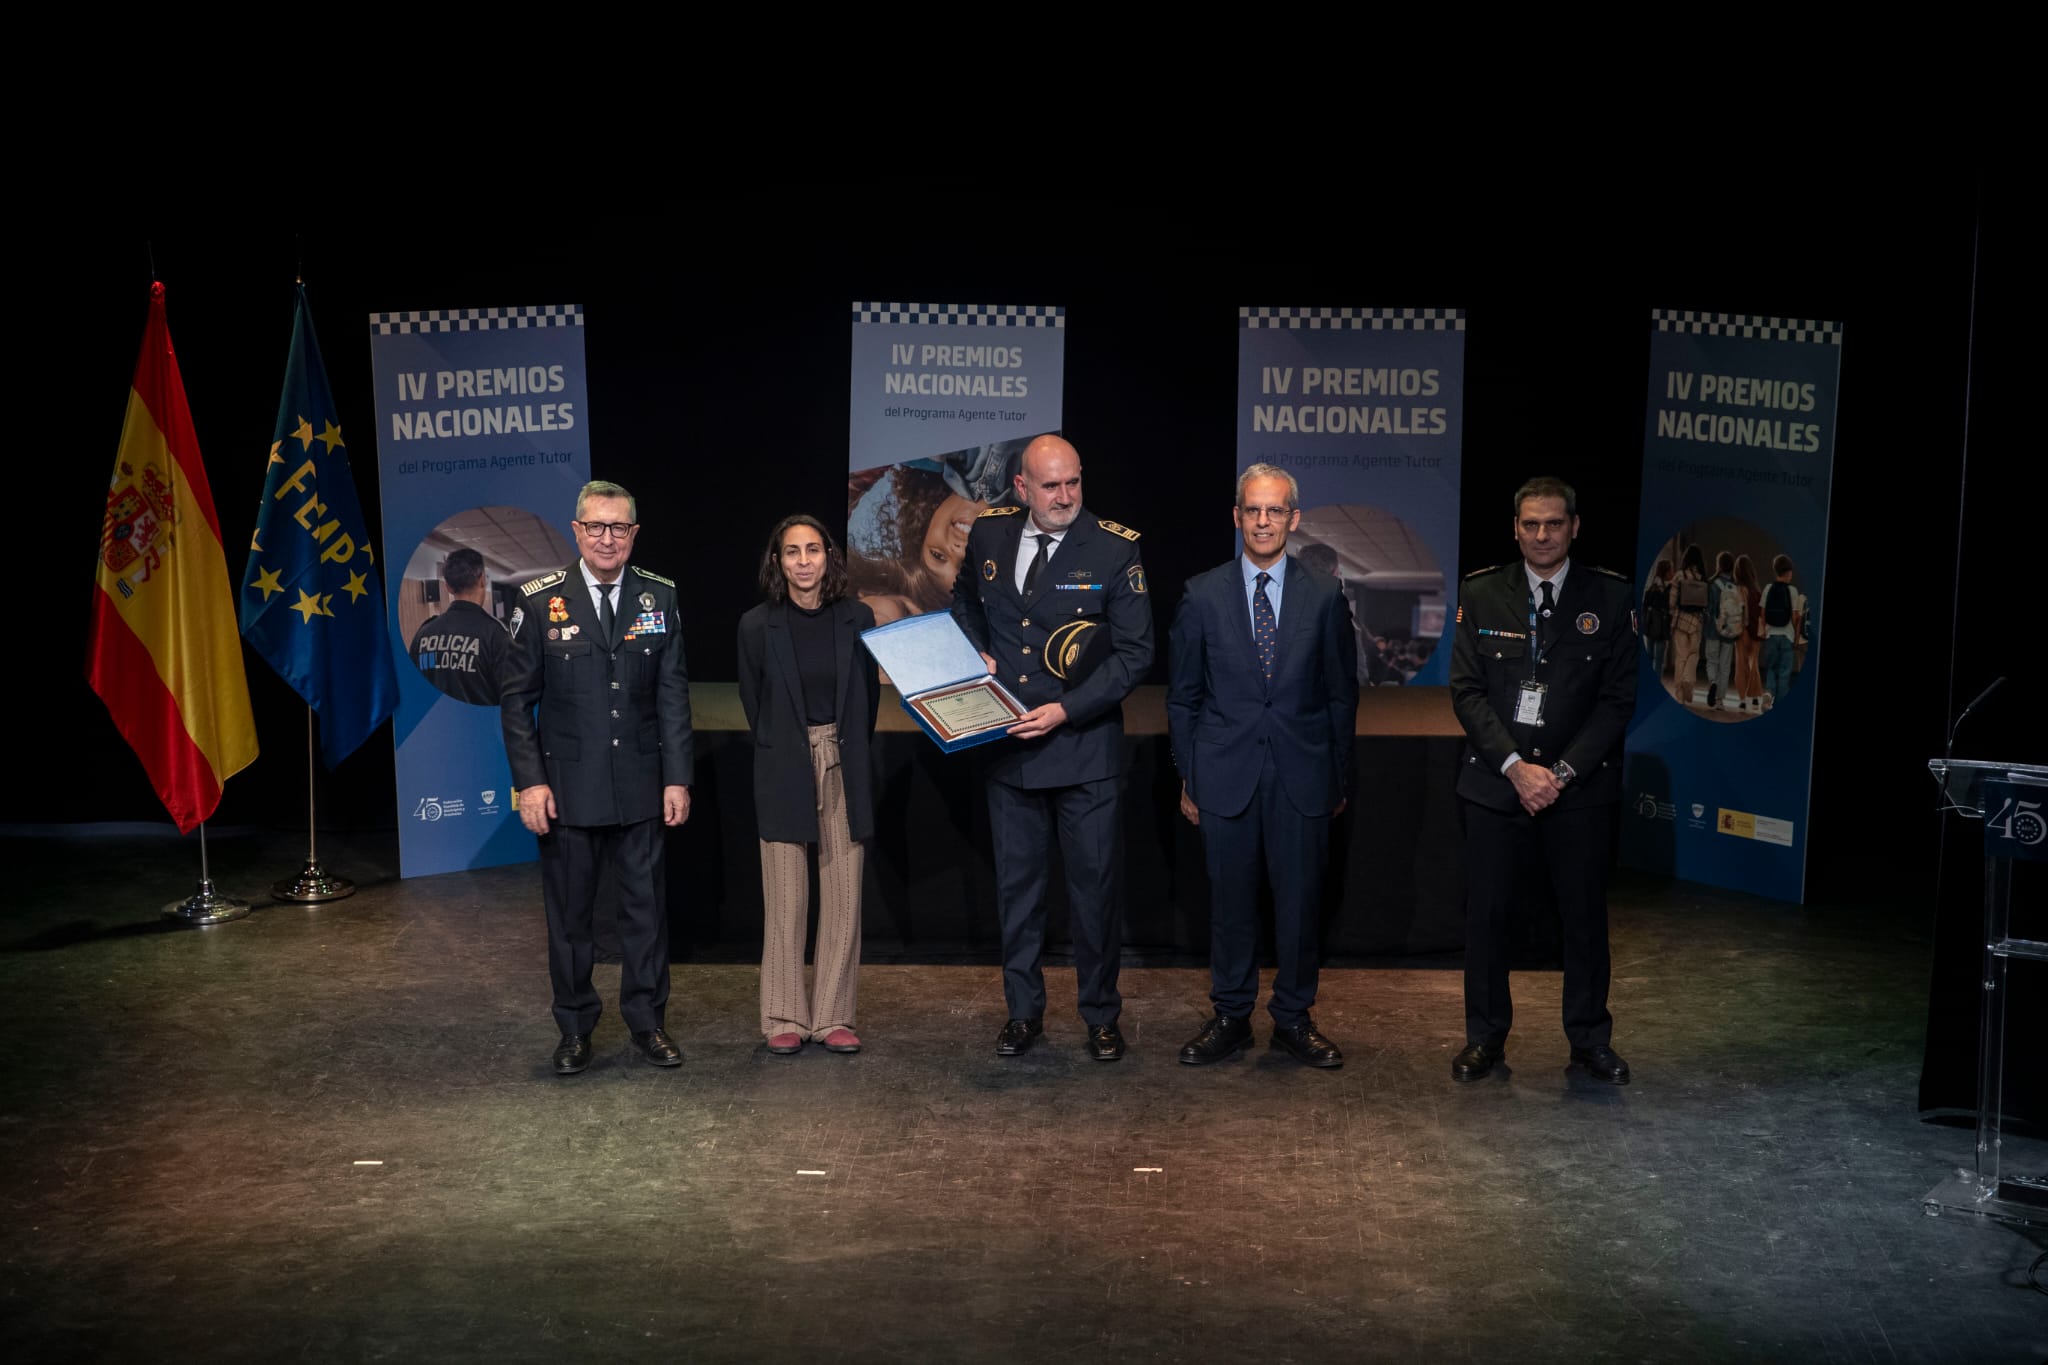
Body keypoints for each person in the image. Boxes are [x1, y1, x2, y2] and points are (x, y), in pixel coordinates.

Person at [950, 433, 1154, 1060]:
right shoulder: (989, 533)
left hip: (1085, 750)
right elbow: (964, 602)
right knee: (1018, 895)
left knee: (1094, 894)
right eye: (1050, 485)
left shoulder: (1115, 548)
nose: (1065, 496)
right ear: (1022, 487)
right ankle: (1023, 1014)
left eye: (1073, 482)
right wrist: (975, 649)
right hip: (1009, 749)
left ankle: (1100, 1016)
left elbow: (1135, 654)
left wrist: (1066, 709)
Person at [1167, 464, 1359, 1068]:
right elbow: (1183, 697)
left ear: (1293, 519)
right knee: (1230, 907)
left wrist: (1338, 776)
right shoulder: (1202, 593)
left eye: (1275, 511)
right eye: (1252, 510)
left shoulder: (1324, 594)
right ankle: (1231, 1016)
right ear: (1236, 516)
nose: (1263, 521)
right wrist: (1190, 775)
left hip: (1303, 777)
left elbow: (1341, 695)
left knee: (1300, 907)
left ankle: (1293, 1019)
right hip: (1224, 776)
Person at [1448, 476, 1637, 1085]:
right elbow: (1467, 691)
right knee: (1487, 920)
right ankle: (1484, 1039)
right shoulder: (1481, 592)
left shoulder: (1611, 596)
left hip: (1577, 791)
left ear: (1574, 527)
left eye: (1554, 524)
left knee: (1584, 921)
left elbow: (1616, 701)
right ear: (1515, 529)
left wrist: (1557, 774)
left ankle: (1589, 1040)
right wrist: (1515, 767)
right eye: (1530, 524)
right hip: (1496, 784)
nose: (1542, 535)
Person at [500, 480, 693, 1075]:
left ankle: (648, 1022)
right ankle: (575, 1027)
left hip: (640, 784)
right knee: (570, 920)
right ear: (577, 531)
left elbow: (672, 695)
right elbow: (516, 703)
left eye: (619, 528)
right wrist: (531, 783)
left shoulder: (660, 596)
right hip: (567, 789)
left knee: (645, 915)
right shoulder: (539, 601)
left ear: (634, 534)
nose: (607, 538)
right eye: (596, 527)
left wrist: (677, 778)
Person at [737, 514, 880, 1056]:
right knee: (786, 897)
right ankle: (784, 1016)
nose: (803, 561)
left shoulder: (858, 617)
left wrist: (841, 749)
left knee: (843, 894)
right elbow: (755, 703)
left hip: (844, 760)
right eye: (792, 551)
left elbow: (867, 699)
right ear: (778, 561)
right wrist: (788, 748)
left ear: (828, 557)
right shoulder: (756, 625)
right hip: (783, 762)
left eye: (813, 550)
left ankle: (833, 1017)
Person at [409, 546, 510, 704]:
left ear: (448, 587)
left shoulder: (424, 633)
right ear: (482, 580)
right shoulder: (495, 634)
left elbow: (412, 689)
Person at [1759, 554, 1806, 710]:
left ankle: (1769, 692)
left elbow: (1763, 613)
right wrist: (1797, 635)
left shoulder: (1768, 588)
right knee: (1784, 673)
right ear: (1789, 572)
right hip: (1787, 636)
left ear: (1776, 571)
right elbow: (1794, 617)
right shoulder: (1793, 590)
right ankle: (1779, 707)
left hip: (1771, 635)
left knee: (1771, 667)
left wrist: (1764, 630)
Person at [1667, 544, 1707, 705]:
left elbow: (1671, 601)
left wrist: (1673, 614)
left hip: (1680, 621)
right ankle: (1688, 684)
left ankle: (1679, 694)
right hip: (1696, 623)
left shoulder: (1679, 575)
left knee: (1681, 657)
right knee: (1693, 656)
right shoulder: (1702, 578)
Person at [1705, 551, 1740, 709]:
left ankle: (1713, 681)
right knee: (1725, 666)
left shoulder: (1712, 584)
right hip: (1730, 631)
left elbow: (1710, 609)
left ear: (1719, 565)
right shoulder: (1736, 586)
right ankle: (1720, 700)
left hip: (1713, 629)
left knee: (1712, 660)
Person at [1731, 554, 1766, 712]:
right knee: (1753, 665)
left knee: (1741, 665)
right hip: (1756, 631)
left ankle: (1743, 700)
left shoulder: (1737, 589)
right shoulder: (1757, 590)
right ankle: (1755, 698)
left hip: (1742, 631)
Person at [1641, 558, 1672, 676]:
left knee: (1649, 656)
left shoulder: (1652, 586)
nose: (1672, 573)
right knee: (1658, 659)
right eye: (1671, 571)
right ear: (1666, 572)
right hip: (1661, 627)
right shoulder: (1665, 589)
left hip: (1650, 625)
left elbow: (1645, 606)